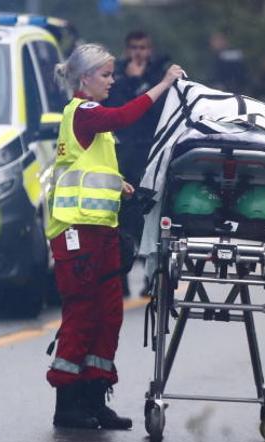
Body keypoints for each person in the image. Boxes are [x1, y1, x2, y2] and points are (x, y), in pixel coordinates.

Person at [46, 43, 184, 429]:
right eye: (105, 75)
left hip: (101, 231)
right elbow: (125, 115)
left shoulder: (92, 122)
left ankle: (95, 396)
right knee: (82, 316)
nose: (111, 80)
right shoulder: (86, 112)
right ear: (85, 78)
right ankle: (68, 404)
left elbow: (89, 170)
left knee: (108, 315)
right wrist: (163, 84)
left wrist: (121, 186)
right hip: (78, 234)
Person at [106, 30, 171, 297]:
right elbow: (115, 110)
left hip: (152, 152)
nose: (138, 53)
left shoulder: (159, 74)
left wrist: (144, 81)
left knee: (151, 217)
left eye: (143, 47)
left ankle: (150, 277)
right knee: (121, 218)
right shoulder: (116, 75)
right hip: (124, 154)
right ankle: (119, 278)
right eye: (133, 47)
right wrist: (131, 82)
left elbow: (161, 111)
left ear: (150, 49)